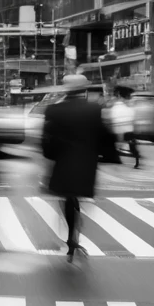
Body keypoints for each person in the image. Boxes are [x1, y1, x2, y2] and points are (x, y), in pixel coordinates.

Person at [42, 73, 117, 262]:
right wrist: (110, 157)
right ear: (84, 89)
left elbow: (46, 138)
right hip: (86, 161)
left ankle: (71, 234)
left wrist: (49, 156)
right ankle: (73, 233)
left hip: (63, 160)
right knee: (76, 196)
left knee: (66, 195)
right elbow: (105, 135)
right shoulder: (93, 109)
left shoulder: (53, 110)